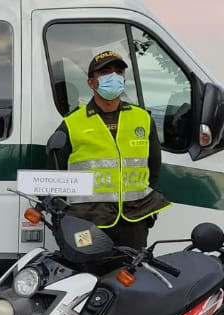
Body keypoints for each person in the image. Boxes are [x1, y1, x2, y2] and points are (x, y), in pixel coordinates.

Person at [47, 51, 170, 248]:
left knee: (133, 276)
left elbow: (153, 169)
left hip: (133, 221)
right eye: (105, 72)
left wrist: (148, 212)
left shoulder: (142, 119)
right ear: (91, 83)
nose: (113, 77)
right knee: (88, 276)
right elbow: (57, 175)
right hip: (88, 221)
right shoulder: (72, 123)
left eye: (118, 72)